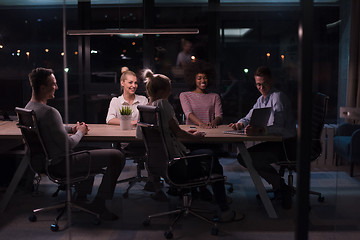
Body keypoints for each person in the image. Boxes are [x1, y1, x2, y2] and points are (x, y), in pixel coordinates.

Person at [139, 69, 244, 222]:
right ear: (162, 90)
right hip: (176, 164)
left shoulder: (146, 108)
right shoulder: (163, 105)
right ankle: (225, 210)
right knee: (211, 158)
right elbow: (179, 134)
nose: (171, 90)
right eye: (169, 87)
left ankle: (198, 194)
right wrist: (193, 135)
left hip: (160, 163)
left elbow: (140, 135)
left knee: (203, 153)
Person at [25, 68, 126, 220]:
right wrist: (81, 132)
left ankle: (81, 197)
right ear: (43, 88)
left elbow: (49, 128)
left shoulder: (29, 108)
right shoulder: (49, 112)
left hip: (43, 162)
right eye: (54, 84)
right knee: (117, 156)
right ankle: (99, 203)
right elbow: (68, 145)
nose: (57, 87)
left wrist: (72, 128)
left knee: (88, 150)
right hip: (61, 163)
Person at [228, 66, 297, 209]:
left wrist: (259, 130)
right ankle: (281, 186)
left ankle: (281, 187)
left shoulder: (278, 97)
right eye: (258, 84)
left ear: (271, 81)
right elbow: (248, 117)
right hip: (276, 143)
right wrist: (240, 124)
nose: (261, 87)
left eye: (264, 83)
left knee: (247, 157)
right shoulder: (262, 99)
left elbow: (279, 128)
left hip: (287, 144)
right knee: (244, 156)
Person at [180, 60, 222, 128]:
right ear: (194, 80)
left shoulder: (215, 96)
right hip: (192, 131)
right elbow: (188, 114)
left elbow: (219, 116)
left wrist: (213, 123)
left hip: (210, 130)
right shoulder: (185, 95)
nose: (203, 81)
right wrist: (201, 124)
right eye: (199, 78)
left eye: (205, 78)